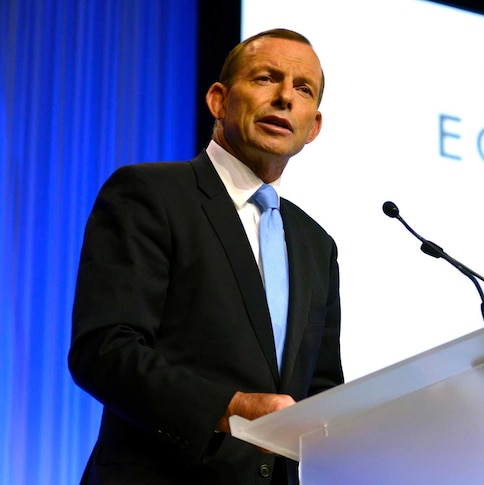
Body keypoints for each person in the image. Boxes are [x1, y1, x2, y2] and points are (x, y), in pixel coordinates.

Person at [68, 28, 343, 485]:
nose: (283, 98)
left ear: (313, 125)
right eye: (265, 78)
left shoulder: (317, 245)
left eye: (303, 89)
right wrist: (231, 408)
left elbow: (320, 389)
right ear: (219, 100)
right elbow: (105, 351)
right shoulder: (150, 194)